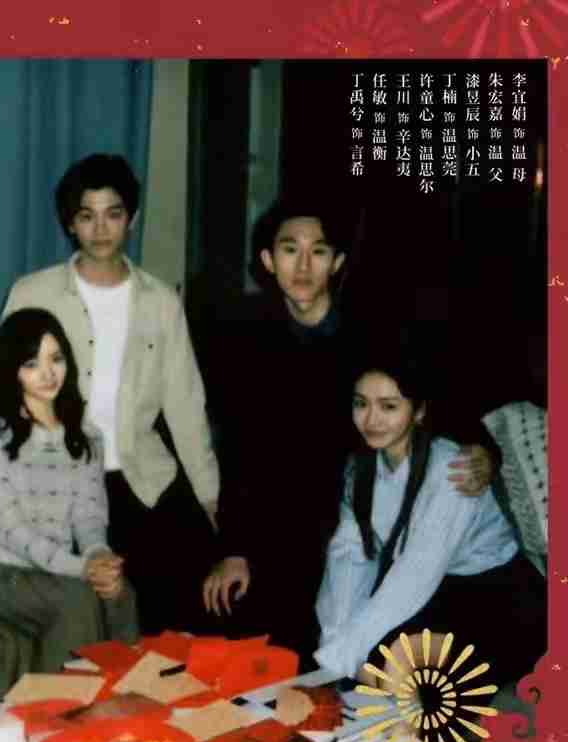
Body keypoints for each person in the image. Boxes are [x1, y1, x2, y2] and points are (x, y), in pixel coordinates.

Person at [202, 197, 499, 664]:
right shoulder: (246, 341)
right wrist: (236, 548)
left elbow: (434, 397)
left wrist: (485, 451)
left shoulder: (374, 330)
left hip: (368, 511)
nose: (303, 266)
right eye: (290, 250)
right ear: (268, 260)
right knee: (238, 635)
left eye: (318, 251)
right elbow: (239, 453)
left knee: (361, 650)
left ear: (337, 262)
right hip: (287, 518)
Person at [0, 153, 219, 635]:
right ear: (70, 223)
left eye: (113, 214)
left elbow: (186, 405)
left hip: (143, 477)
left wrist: (208, 495)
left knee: (193, 607)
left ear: (131, 219)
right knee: (108, 611)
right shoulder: (33, 291)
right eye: (86, 216)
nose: (101, 230)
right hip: (65, 475)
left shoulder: (161, 302)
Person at [315, 345, 545, 687]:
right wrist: (336, 639)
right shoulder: (359, 468)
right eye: (361, 404)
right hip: (438, 588)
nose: (371, 420)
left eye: (389, 406)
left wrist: (345, 654)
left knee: (406, 674)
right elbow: (349, 555)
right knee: (362, 659)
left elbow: (419, 568)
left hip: (498, 595)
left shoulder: (452, 469)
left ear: (419, 411)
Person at [0, 307, 138, 694]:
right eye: (32, 363)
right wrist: (80, 569)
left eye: (56, 359)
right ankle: (56, 714)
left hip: (53, 568)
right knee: (77, 599)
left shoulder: (86, 435)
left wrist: (98, 556)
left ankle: (123, 706)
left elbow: (89, 514)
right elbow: (9, 530)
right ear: (12, 369)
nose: (48, 373)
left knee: (121, 593)